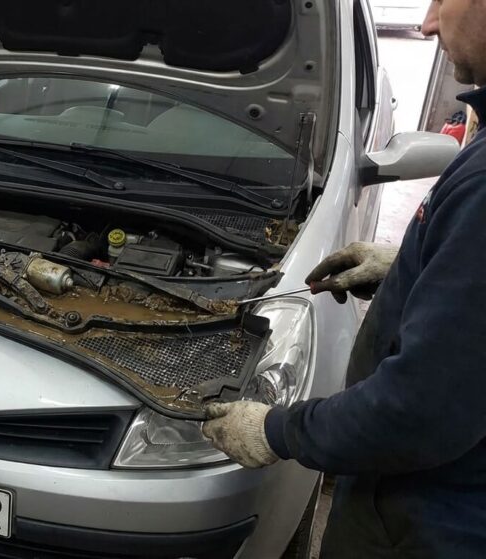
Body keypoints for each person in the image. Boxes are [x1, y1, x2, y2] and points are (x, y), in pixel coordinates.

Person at [202, 1, 486, 556]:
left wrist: (276, 430)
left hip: (423, 521)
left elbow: (419, 411)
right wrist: (411, 265)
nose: (427, 23)